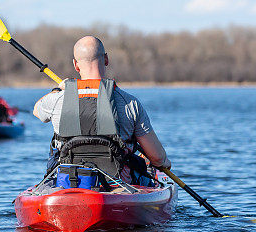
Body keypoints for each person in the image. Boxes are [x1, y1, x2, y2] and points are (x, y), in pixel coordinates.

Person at [33, 36, 171, 186]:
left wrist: (59, 89)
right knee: (147, 168)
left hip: (70, 184)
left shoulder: (57, 99)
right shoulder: (130, 103)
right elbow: (157, 158)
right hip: (118, 186)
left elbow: (37, 110)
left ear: (76, 65)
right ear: (106, 59)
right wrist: (165, 162)